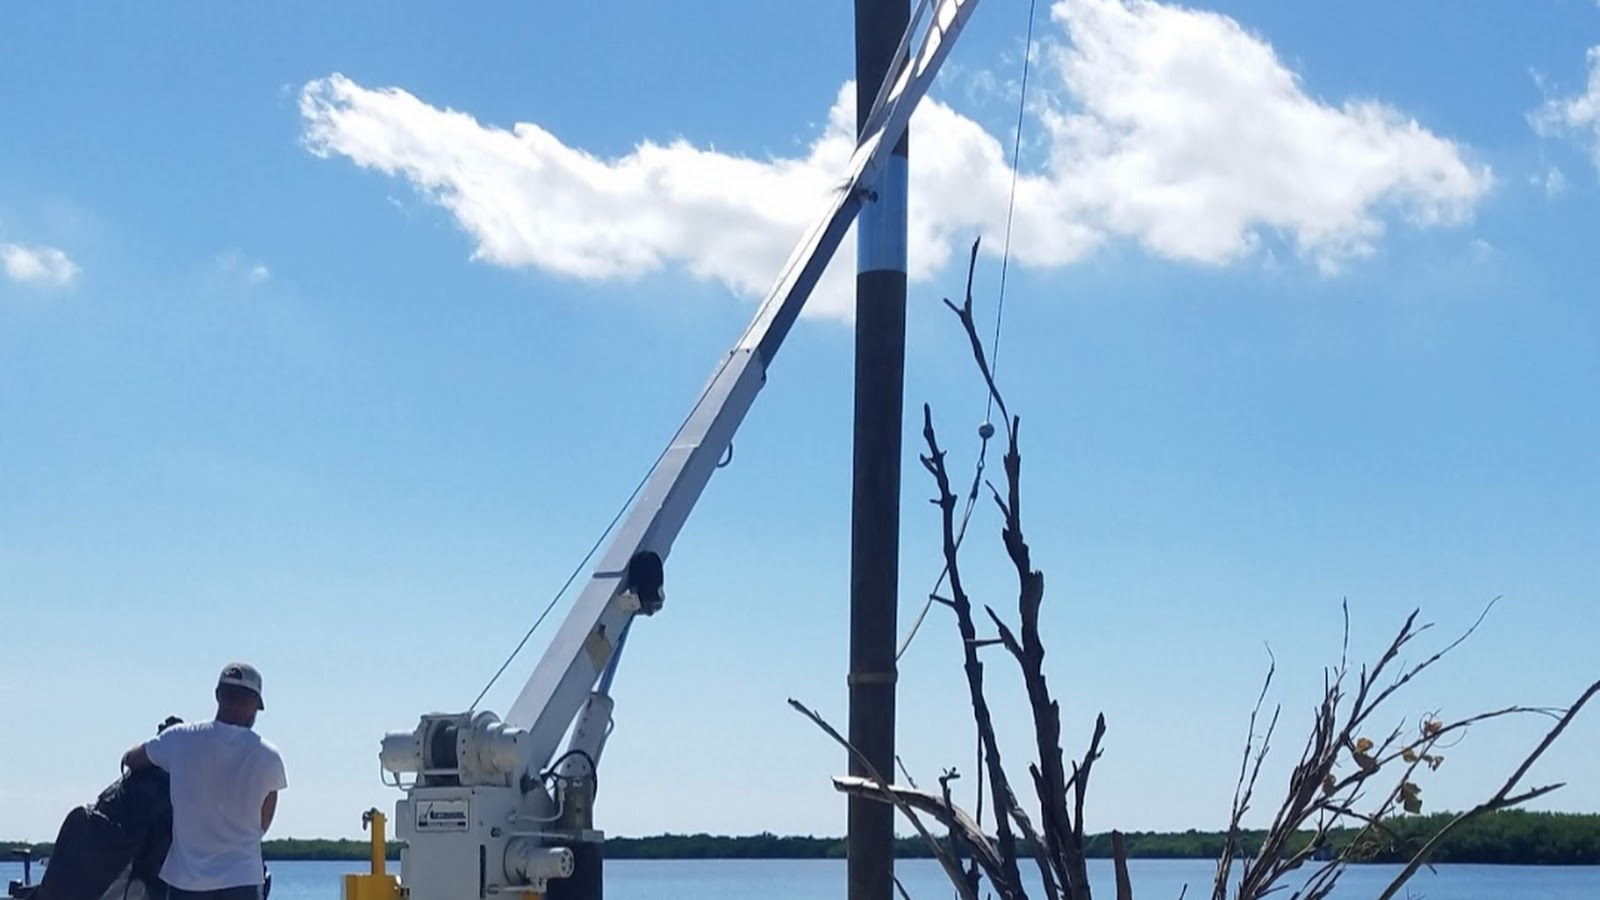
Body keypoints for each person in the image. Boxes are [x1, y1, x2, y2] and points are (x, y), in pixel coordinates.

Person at [121, 663, 288, 900]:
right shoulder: (268, 756)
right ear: (254, 704)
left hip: (186, 884)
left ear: (218, 695)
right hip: (243, 881)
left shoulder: (179, 738)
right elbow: (264, 821)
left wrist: (163, 742)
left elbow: (131, 759)